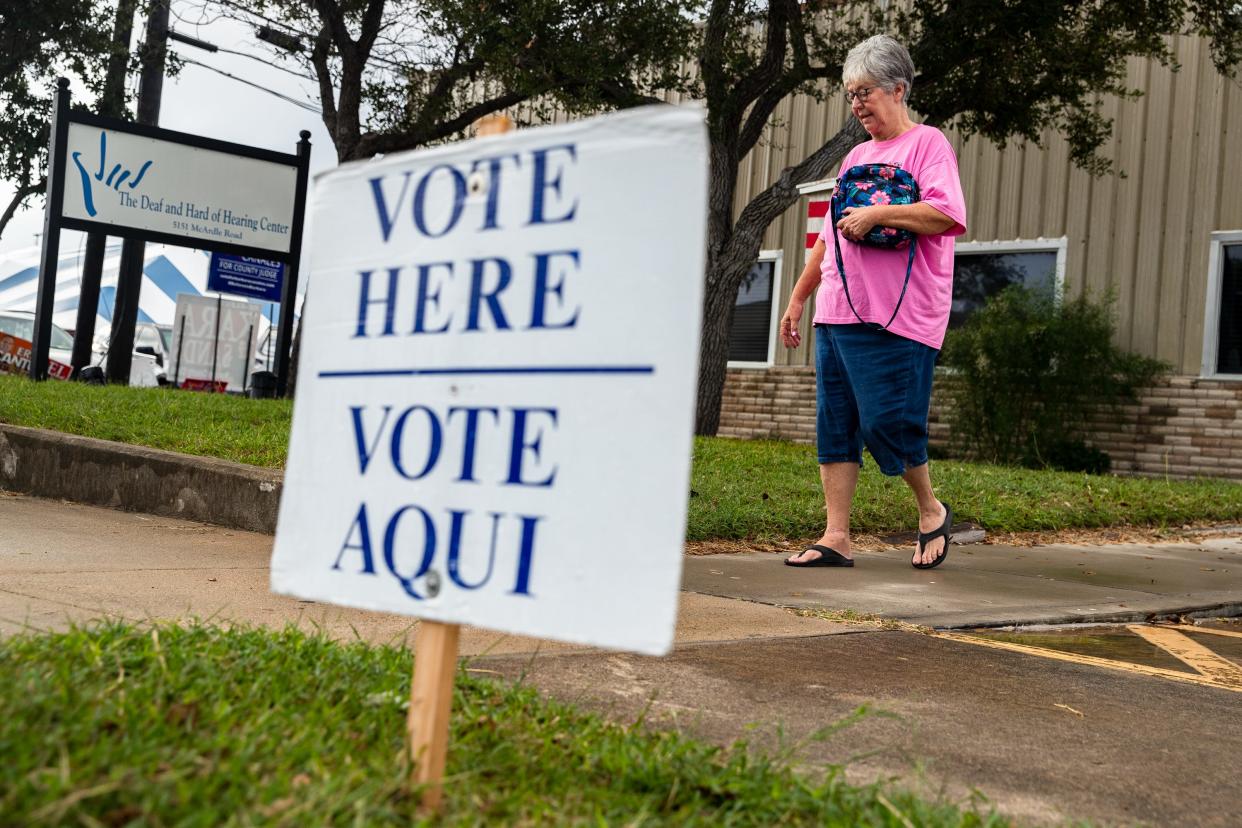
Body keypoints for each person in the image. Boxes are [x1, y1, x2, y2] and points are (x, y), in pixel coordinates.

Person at [780, 34, 967, 570]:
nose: (858, 104)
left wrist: (879, 215)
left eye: (865, 92)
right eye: (850, 94)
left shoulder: (928, 145)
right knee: (835, 424)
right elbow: (829, 238)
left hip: (899, 315)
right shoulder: (857, 155)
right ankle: (836, 535)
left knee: (888, 422)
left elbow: (947, 214)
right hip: (837, 311)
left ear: (898, 89)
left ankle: (931, 510)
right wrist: (797, 299)